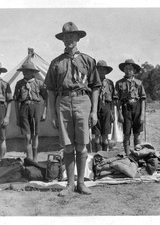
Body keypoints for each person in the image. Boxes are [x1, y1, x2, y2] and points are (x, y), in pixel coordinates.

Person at [44, 22, 101, 196]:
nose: (69, 39)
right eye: (66, 37)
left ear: (78, 38)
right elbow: (51, 91)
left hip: (82, 101)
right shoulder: (56, 63)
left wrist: (94, 111)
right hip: (62, 102)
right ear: (62, 40)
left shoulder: (88, 60)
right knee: (68, 147)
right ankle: (69, 184)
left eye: (72, 36)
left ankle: (81, 183)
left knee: (81, 145)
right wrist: (52, 114)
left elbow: (96, 86)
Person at [13, 60, 47, 162]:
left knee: (35, 134)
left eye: (28, 71)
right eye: (24, 71)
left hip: (36, 108)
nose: (25, 73)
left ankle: (35, 159)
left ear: (33, 72)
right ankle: (29, 158)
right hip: (24, 108)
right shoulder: (19, 84)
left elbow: (46, 98)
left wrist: (44, 112)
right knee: (27, 136)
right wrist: (17, 115)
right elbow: (16, 100)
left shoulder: (39, 83)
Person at [115, 59, 146, 156]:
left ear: (134, 71)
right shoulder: (119, 83)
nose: (128, 71)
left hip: (137, 107)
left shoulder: (139, 83)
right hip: (125, 108)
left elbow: (143, 99)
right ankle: (127, 155)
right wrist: (119, 114)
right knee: (127, 133)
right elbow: (117, 100)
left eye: (130, 69)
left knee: (137, 133)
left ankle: (137, 154)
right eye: (126, 69)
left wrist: (142, 115)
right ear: (124, 70)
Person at [92, 60, 115, 152]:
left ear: (106, 71)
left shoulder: (110, 83)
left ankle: (105, 154)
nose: (101, 71)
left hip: (106, 107)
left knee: (105, 134)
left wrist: (112, 112)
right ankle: (97, 154)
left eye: (103, 70)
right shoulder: (92, 83)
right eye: (99, 69)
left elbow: (113, 99)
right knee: (96, 134)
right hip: (95, 108)